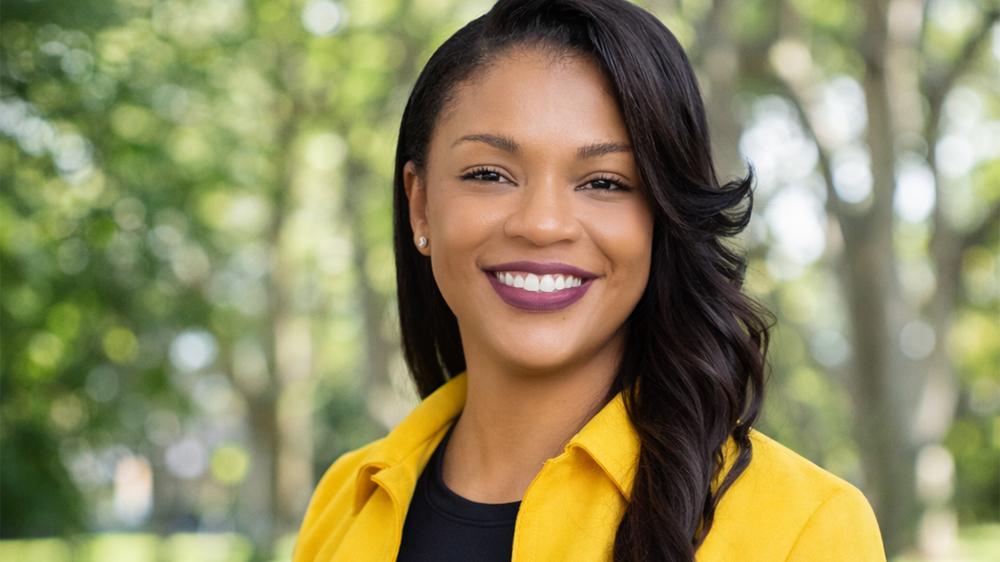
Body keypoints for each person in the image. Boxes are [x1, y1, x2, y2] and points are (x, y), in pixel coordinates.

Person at [292, 0, 887, 560]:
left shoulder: (805, 525)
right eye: (490, 173)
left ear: (661, 216)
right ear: (421, 206)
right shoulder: (344, 500)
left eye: (605, 182)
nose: (543, 224)